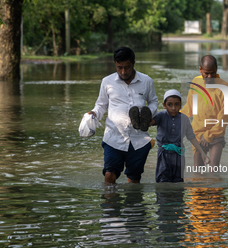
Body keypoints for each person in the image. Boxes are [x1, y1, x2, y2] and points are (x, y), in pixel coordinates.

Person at [88, 46, 158, 184]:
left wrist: (149, 114)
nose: (123, 71)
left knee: (133, 180)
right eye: (119, 67)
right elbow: (101, 105)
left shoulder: (146, 81)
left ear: (133, 63)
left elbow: (153, 101)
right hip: (113, 137)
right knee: (109, 175)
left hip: (139, 139)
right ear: (115, 64)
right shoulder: (107, 82)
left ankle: (132, 205)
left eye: (127, 67)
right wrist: (94, 113)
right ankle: (110, 204)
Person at [144, 89, 209, 182]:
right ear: (164, 105)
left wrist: (203, 153)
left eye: (176, 104)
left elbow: (191, 137)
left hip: (179, 155)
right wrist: (145, 120)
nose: (173, 108)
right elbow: (151, 123)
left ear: (181, 105)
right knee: (163, 181)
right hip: (164, 155)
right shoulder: (161, 116)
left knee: (178, 182)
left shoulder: (184, 119)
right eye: (170, 105)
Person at [181, 55, 228, 168]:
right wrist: (174, 117)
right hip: (197, 135)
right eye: (206, 73)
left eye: (212, 73)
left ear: (216, 69)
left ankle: (216, 185)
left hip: (216, 135)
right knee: (197, 170)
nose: (209, 77)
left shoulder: (225, 88)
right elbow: (189, 107)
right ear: (200, 70)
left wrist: (209, 135)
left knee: (214, 169)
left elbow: (225, 118)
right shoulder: (195, 82)